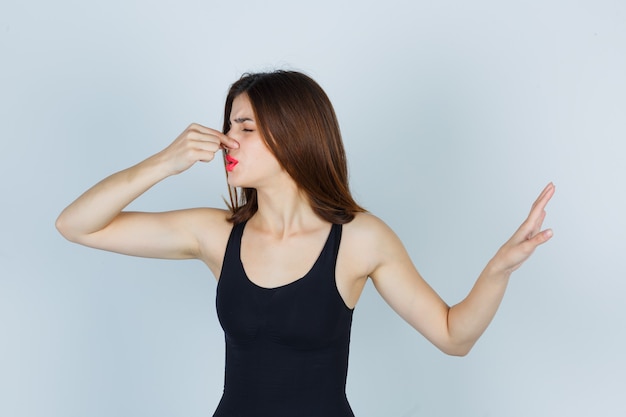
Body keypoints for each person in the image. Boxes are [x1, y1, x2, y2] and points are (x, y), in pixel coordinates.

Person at [56, 70, 555, 417]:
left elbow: (454, 336)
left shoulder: (361, 238)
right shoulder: (215, 234)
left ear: (292, 135)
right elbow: (77, 225)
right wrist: (164, 162)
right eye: (229, 124)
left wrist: (498, 271)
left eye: (246, 127)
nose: (229, 139)